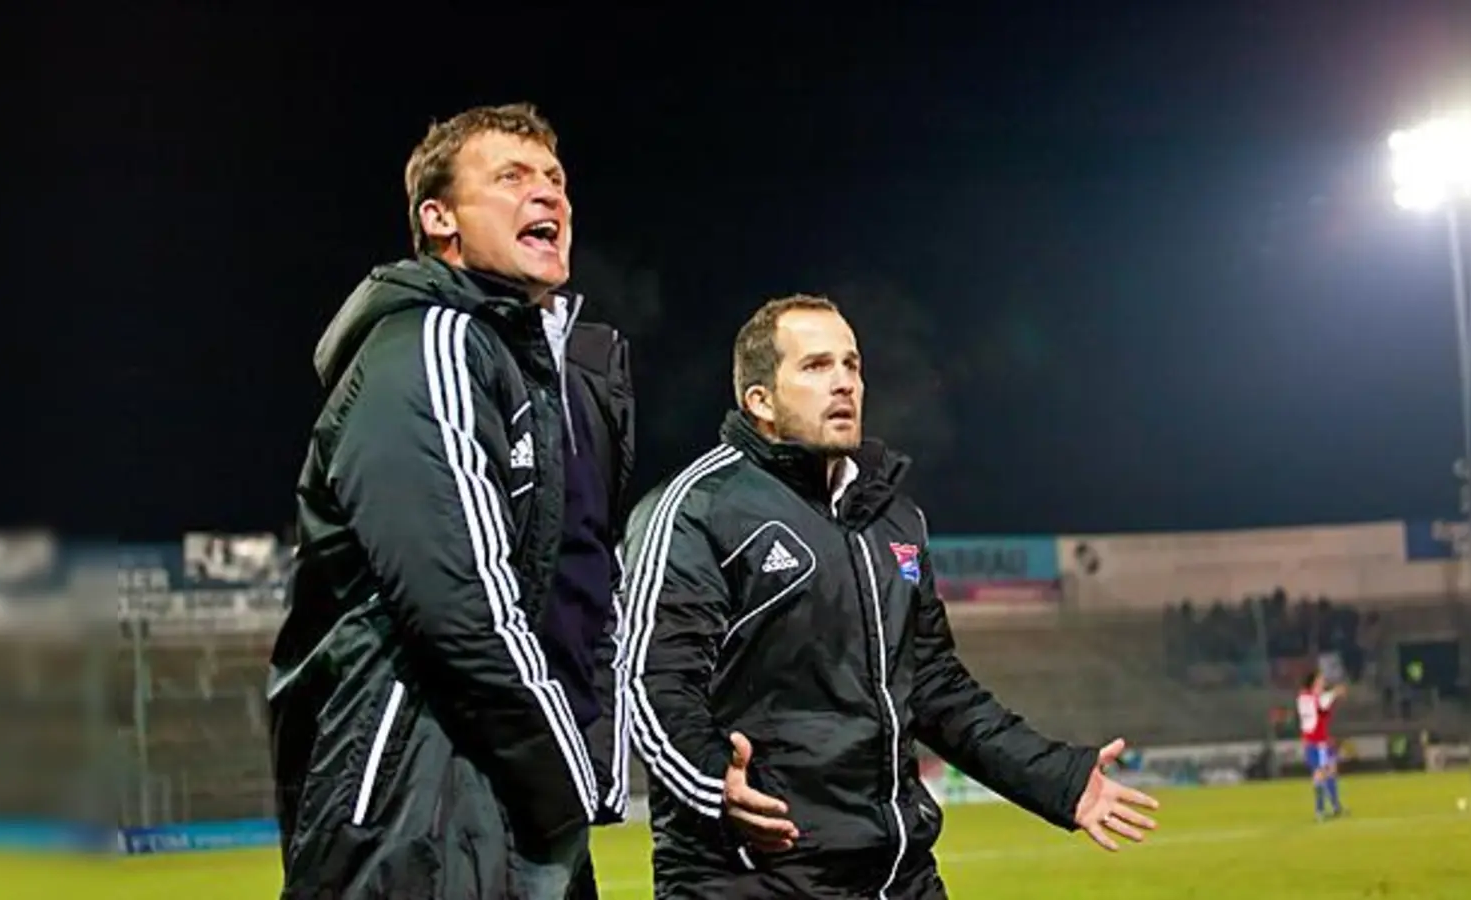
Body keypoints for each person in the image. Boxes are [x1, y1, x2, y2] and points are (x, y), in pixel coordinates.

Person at [619, 294, 1160, 897]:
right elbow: (651, 680)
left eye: (851, 364)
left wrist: (1056, 779)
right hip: (753, 875)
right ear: (760, 401)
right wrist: (713, 780)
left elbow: (934, 687)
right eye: (816, 366)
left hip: (894, 871)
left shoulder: (893, 520)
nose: (844, 382)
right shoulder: (695, 510)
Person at [268, 101, 632, 899]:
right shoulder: (428, 346)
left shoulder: (560, 380)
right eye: (511, 177)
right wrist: (570, 781)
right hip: (418, 810)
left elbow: (589, 592)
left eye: (555, 178)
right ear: (440, 220)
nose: (548, 193)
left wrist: (592, 765)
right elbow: (464, 606)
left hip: (519, 803)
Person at [1297, 669, 1346, 820]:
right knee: (1320, 773)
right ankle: (1320, 809)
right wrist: (1335, 692)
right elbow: (1320, 703)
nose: (1323, 682)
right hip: (1316, 742)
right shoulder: (1308, 698)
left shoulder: (1307, 697)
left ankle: (1335, 806)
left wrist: (1333, 694)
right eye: (1320, 679)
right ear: (1314, 682)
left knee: (1330, 770)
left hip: (1322, 741)